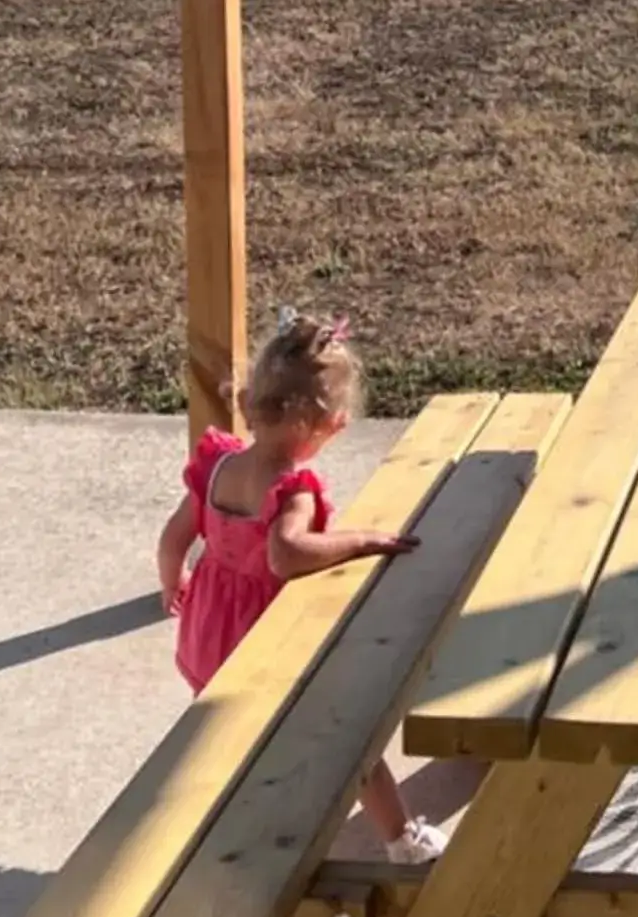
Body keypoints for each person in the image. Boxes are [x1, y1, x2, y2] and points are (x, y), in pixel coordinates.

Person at [158, 306, 442, 862]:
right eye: (334, 426)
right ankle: (403, 841)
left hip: (212, 628)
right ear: (314, 424)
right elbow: (285, 554)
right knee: (345, 734)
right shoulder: (291, 485)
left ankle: (221, 836)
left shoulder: (219, 467)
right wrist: (360, 541)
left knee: (227, 733)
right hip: (271, 634)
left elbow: (172, 540)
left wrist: (179, 583)